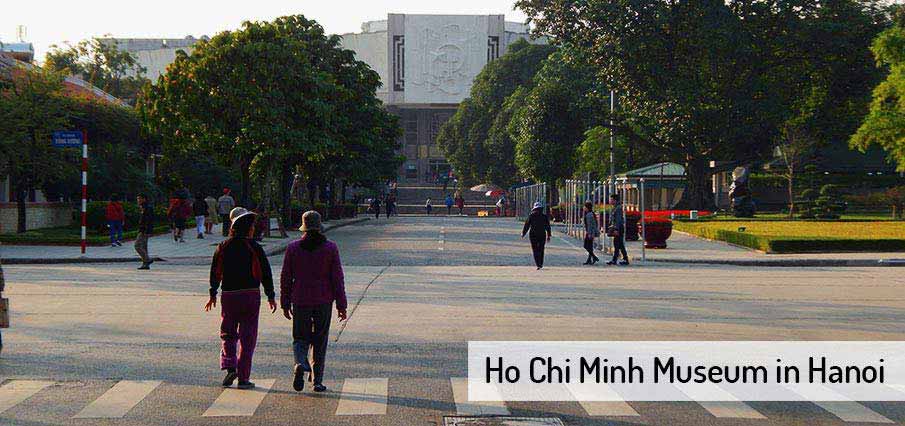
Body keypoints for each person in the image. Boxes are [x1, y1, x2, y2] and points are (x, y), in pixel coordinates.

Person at [206, 208, 277, 390]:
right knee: (248, 337)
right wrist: (270, 295)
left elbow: (215, 271)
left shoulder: (223, 246)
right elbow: (265, 273)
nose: (253, 229)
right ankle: (244, 378)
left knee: (228, 332)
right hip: (251, 295)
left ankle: (230, 365)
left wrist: (213, 293)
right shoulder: (254, 247)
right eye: (252, 226)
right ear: (248, 229)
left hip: (229, 295)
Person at [280, 211, 347, 393]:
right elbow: (337, 278)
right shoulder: (330, 248)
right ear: (320, 227)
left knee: (300, 338)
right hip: (323, 300)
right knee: (320, 340)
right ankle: (317, 381)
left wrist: (285, 302)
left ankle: (300, 362)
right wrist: (342, 305)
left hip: (300, 299)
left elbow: (286, 277)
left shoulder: (293, 248)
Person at [521, 201, 552, 269]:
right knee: (541, 249)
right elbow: (548, 226)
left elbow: (527, 225)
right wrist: (549, 235)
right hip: (541, 234)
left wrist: (523, 233)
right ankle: (540, 264)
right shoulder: (543, 216)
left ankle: (538, 264)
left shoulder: (531, 216)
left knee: (535, 249)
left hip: (533, 235)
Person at [607, 193, 629, 266]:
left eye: (612, 199)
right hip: (617, 228)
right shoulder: (615, 207)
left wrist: (616, 229)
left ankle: (622, 259)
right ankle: (617, 259)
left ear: (615, 200)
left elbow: (618, 220)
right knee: (619, 245)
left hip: (618, 228)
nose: (610, 201)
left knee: (618, 244)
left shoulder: (618, 208)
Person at [135, 194, 154, 270]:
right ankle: (145, 264)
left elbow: (149, 220)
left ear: (144, 199)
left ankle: (147, 259)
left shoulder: (147, 208)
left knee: (137, 245)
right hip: (143, 229)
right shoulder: (144, 207)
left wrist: (146, 230)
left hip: (144, 230)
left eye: (139, 198)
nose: (138, 200)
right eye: (137, 199)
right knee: (143, 246)